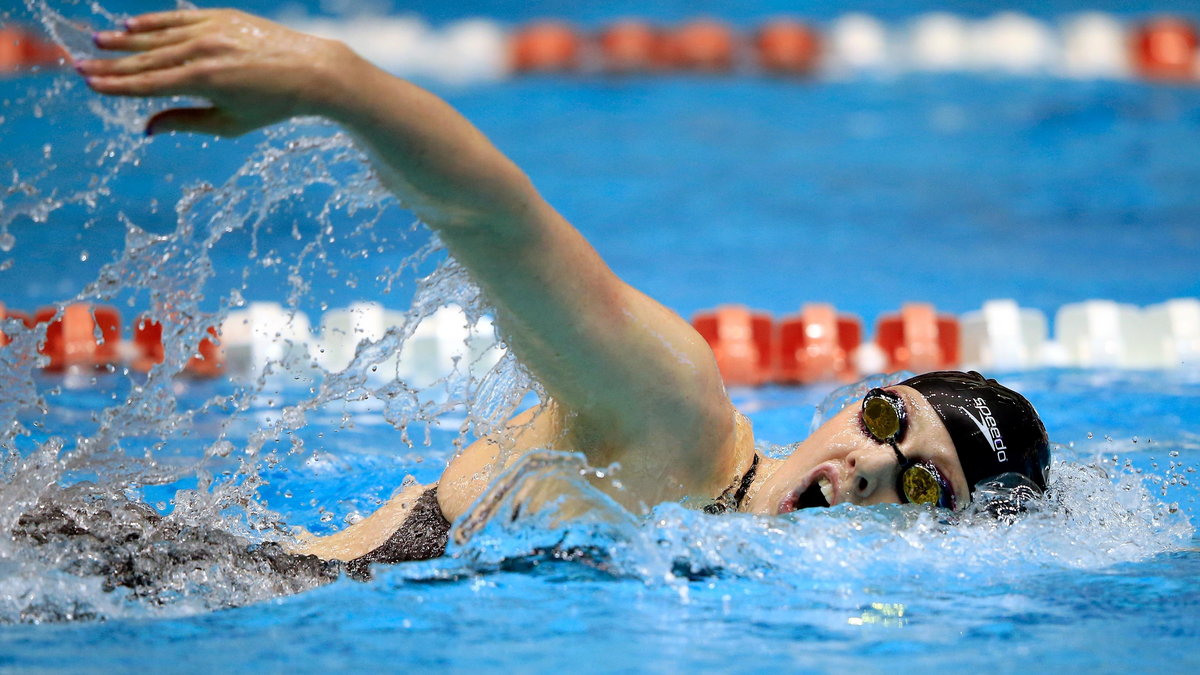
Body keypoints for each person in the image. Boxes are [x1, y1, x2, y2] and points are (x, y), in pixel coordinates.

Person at [76, 9, 1051, 574]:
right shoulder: (679, 415)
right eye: (889, 420)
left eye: (921, 486)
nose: (867, 469)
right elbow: (500, 225)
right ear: (853, 399)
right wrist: (334, 80)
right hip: (168, 582)